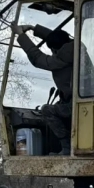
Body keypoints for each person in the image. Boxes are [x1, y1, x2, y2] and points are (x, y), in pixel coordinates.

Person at [12, 22, 74, 155]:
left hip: (74, 105)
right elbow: (58, 38)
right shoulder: (77, 47)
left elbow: (38, 59)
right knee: (58, 106)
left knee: (47, 110)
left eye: (52, 50)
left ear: (55, 50)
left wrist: (21, 35)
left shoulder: (62, 58)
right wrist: (35, 29)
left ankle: (67, 148)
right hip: (80, 101)